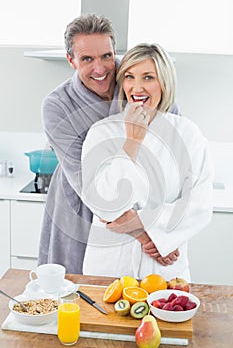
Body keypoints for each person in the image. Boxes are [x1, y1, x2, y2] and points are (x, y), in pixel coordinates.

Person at [38, 14, 180, 274]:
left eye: (106, 56)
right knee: (82, 292)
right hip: (80, 206)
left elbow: (173, 149)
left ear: (115, 52)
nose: (100, 68)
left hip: (145, 202)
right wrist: (150, 238)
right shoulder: (58, 106)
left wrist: (165, 231)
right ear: (71, 60)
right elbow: (93, 192)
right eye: (87, 59)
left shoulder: (138, 82)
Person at [81, 43, 214, 281]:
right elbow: (103, 202)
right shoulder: (101, 133)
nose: (137, 87)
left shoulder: (188, 134)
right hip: (109, 267)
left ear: (164, 83)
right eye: (129, 77)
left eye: (148, 77)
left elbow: (200, 203)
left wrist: (156, 235)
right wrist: (132, 141)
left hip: (165, 266)